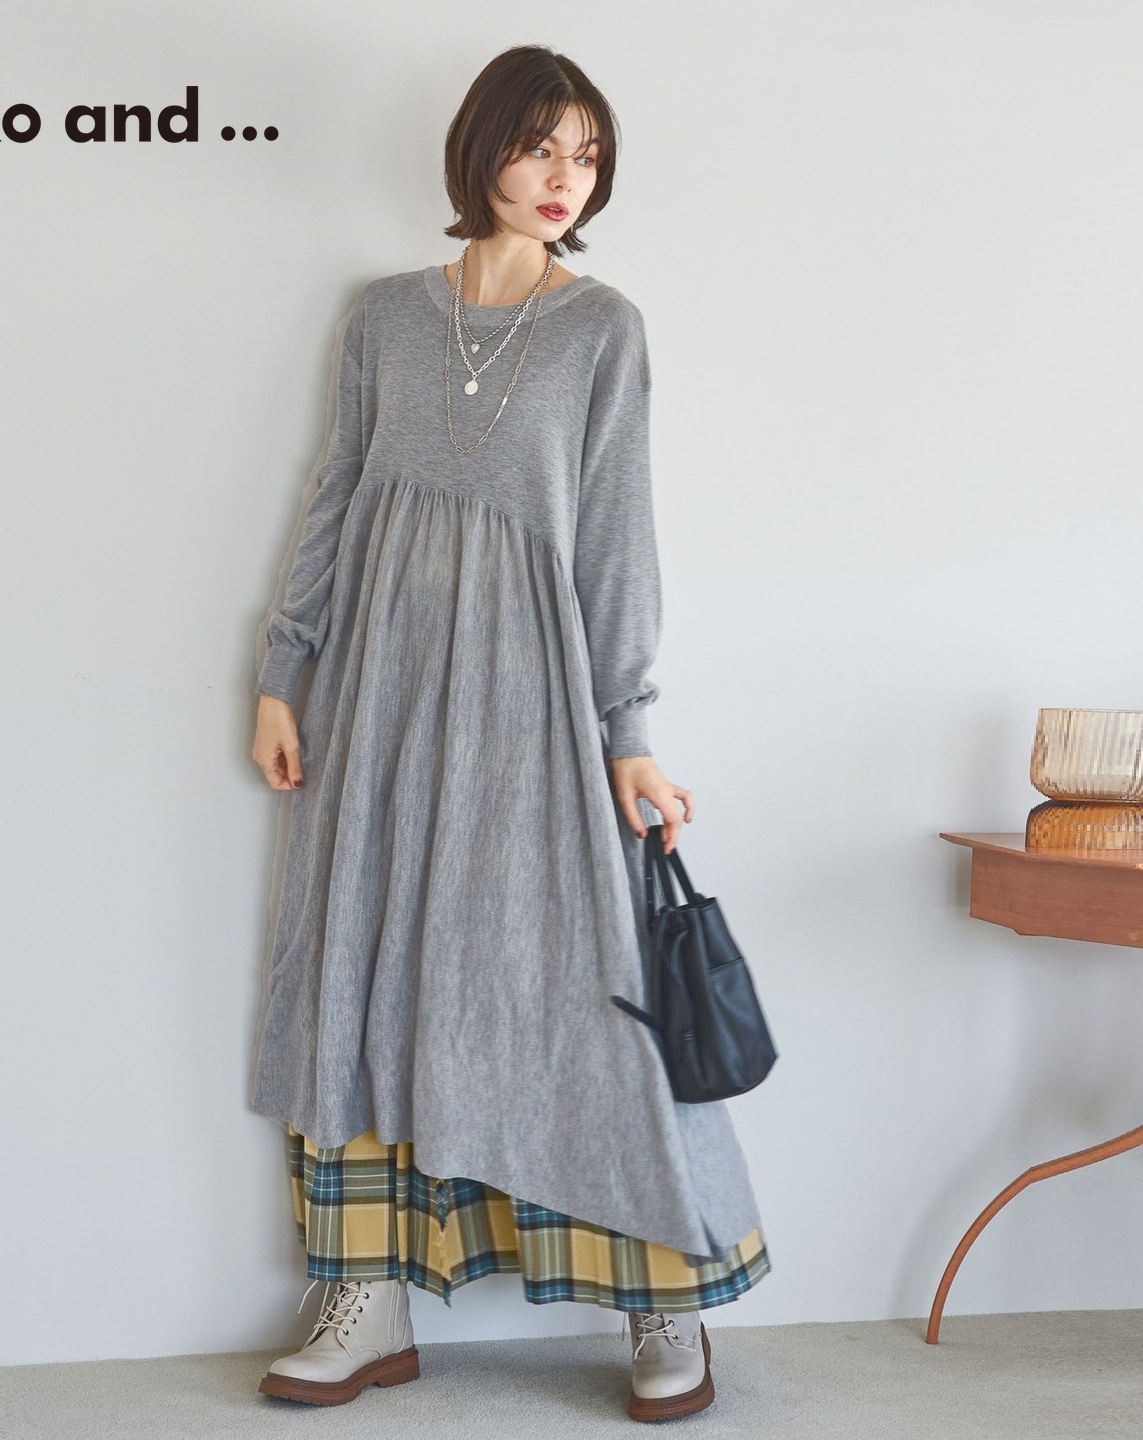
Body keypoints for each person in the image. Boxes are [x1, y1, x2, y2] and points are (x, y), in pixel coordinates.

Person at [247, 44, 769, 1421]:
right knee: (368, 973)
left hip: (536, 698)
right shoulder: (384, 317)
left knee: (581, 988)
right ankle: (366, 1296)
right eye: (540, 146)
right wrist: (285, 666)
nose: (562, 178)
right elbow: (337, 489)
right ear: (481, 149)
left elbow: (615, 536)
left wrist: (628, 728)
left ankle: (661, 1293)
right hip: (378, 695)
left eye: (585, 156)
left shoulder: (603, 330)